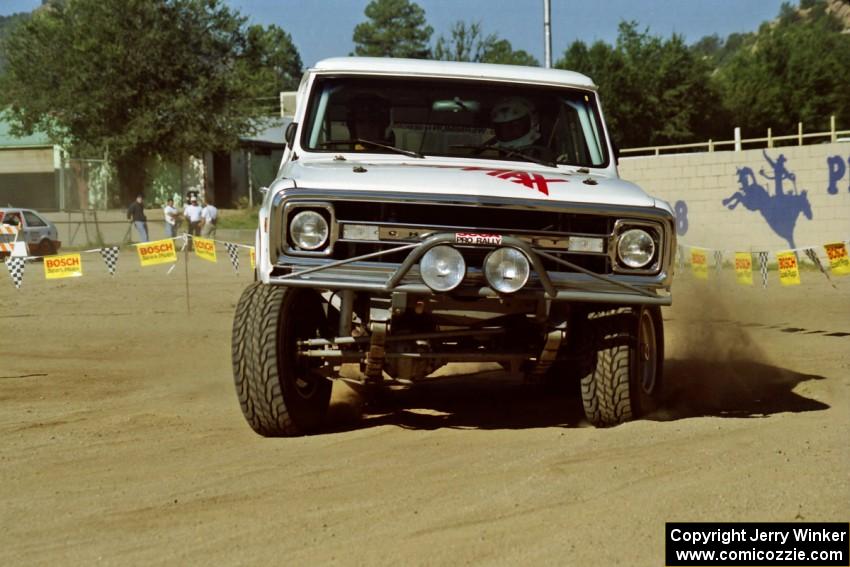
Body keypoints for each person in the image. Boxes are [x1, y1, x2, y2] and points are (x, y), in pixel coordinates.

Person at [489, 96, 553, 161]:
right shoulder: (489, 156)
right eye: (501, 127)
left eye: (515, 125)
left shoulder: (545, 158)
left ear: (533, 122)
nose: (506, 132)